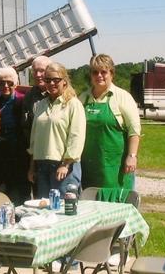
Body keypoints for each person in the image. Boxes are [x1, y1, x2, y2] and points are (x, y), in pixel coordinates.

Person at [79, 54, 141, 198]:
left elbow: (134, 131)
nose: (99, 76)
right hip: (89, 166)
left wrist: (132, 156)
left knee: (116, 202)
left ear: (111, 73)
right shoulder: (83, 98)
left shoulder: (122, 97)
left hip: (115, 166)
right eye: (95, 72)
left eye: (103, 72)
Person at [28, 62, 86, 198]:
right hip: (41, 165)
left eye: (56, 80)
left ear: (64, 81)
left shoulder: (73, 104)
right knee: (44, 207)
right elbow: (34, 138)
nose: (51, 83)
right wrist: (31, 167)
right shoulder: (41, 105)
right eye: (48, 80)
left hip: (64, 166)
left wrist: (66, 164)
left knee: (64, 207)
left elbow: (76, 137)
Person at [0, 67, 28, 203]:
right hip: (2, 149)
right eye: (2, 83)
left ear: (15, 84)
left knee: (21, 187)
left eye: (9, 83)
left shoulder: (22, 100)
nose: (6, 86)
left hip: (20, 149)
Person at [20, 55, 51, 195]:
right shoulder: (30, 96)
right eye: (35, 71)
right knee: (40, 197)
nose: (38, 75)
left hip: (57, 156)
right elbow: (26, 126)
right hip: (36, 155)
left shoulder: (60, 93)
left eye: (42, 71)